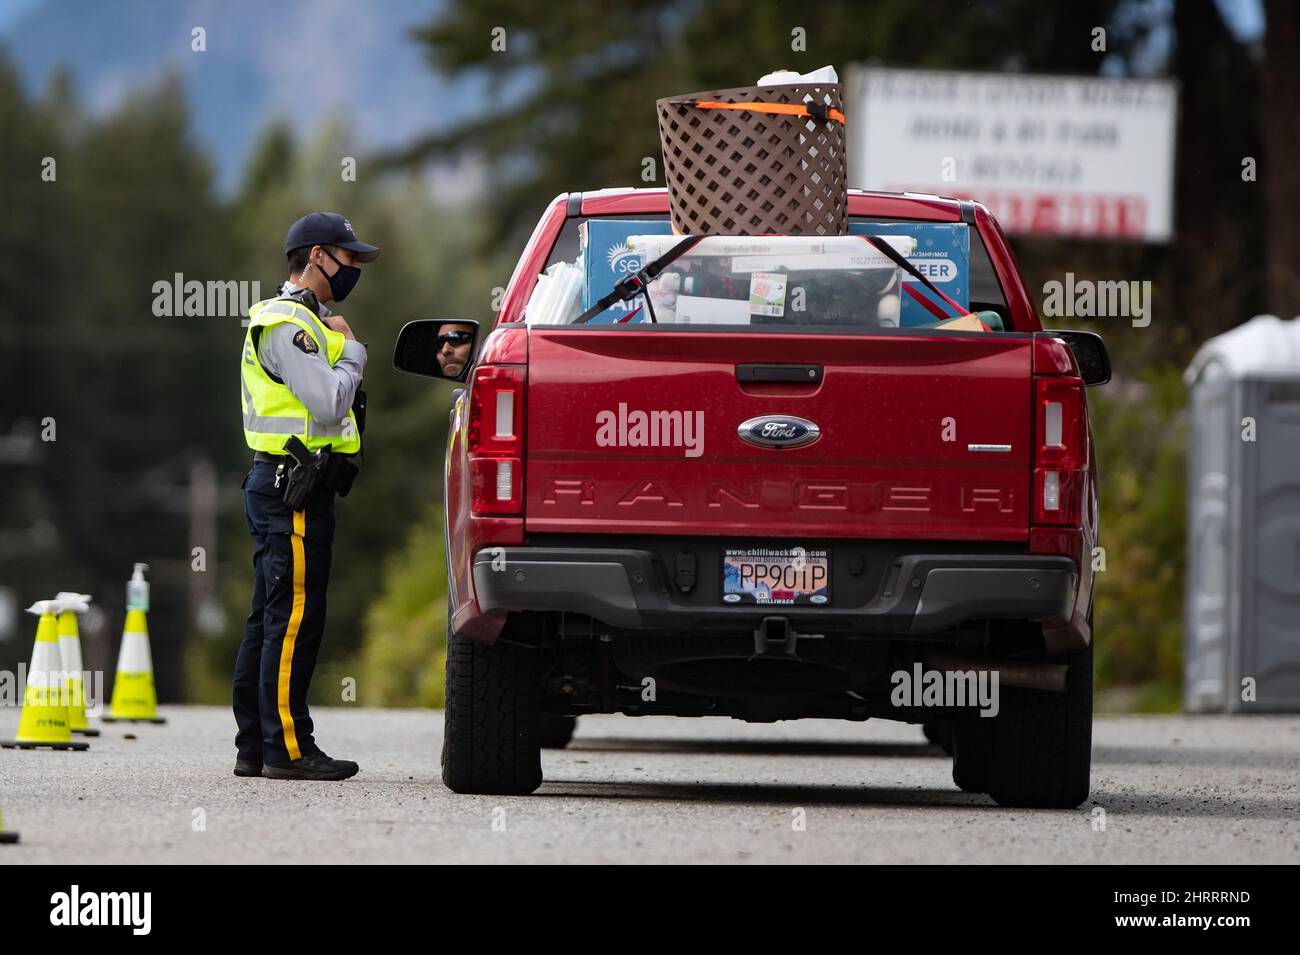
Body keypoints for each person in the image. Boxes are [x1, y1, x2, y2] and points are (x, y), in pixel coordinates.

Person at [232, 212, 379, 781]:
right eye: (349, 258)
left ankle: (255, 744)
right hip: (292, 489)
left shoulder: (298, 320)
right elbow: (327, 404)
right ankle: (287, 748)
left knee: (267, 618)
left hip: (280, 483)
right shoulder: (292, 326)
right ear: (317, 255)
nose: (354, 270)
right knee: (293, 618)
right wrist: (353, 350)